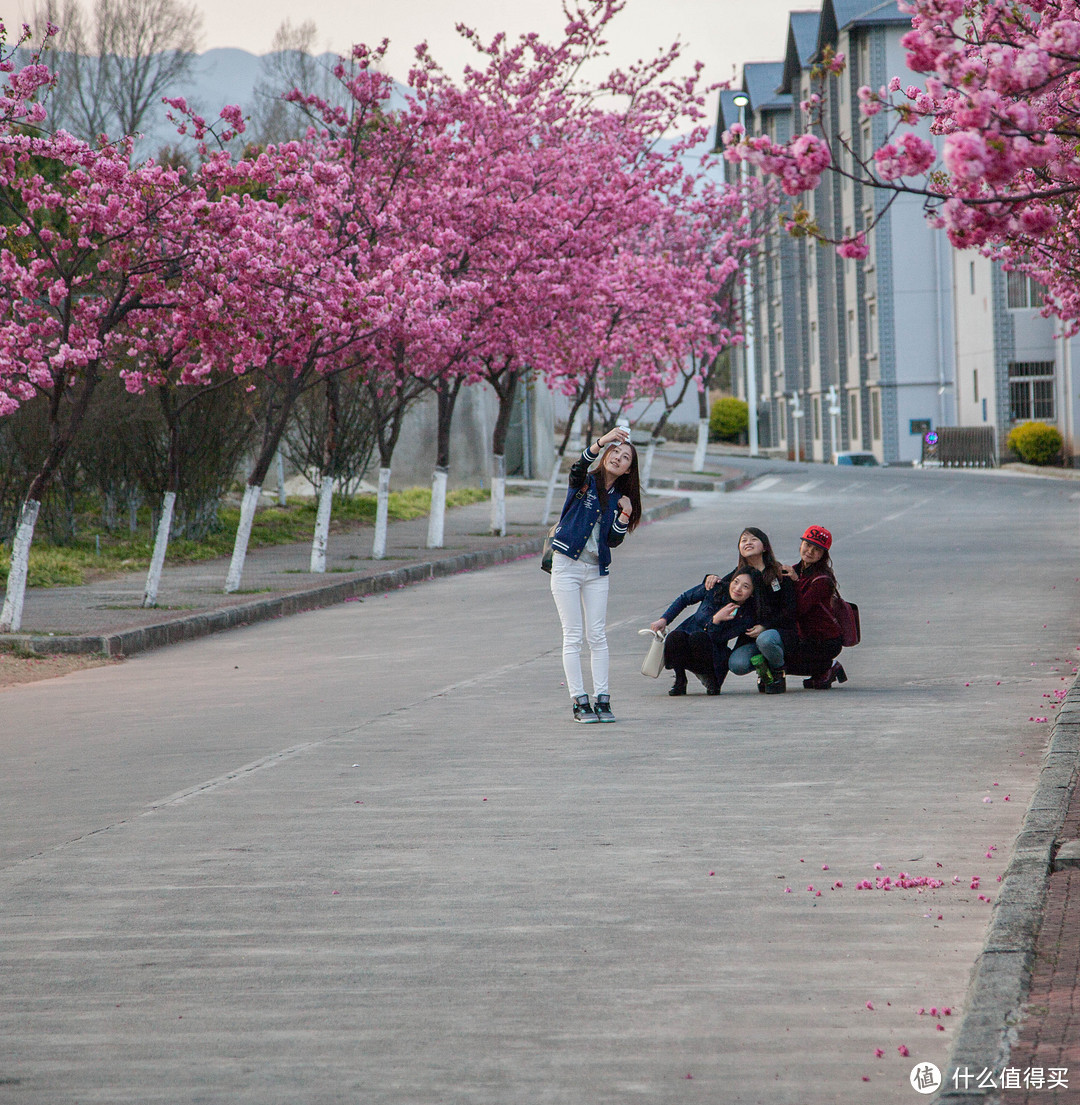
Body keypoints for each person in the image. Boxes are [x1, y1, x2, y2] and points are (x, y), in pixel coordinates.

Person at [549, 426, 642, 723]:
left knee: (598, 635)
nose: (618, 457)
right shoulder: (584, 481)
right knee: (573, 635)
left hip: (596, 571)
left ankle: (603, 700)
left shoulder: (621, 499)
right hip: (566, 566)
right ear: (605, 455)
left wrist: (624, 515)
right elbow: (577, 466)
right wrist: (602, 441)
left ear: (629, 469)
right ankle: (579, 701)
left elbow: (613, 541)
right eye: (615, 451)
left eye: (625, 456)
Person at [650, 566, 760, 696]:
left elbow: (719, 638)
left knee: (699, 638)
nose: (737, 588)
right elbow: (685, 598)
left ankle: (711, 679)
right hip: (686, 639)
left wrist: (716, 620)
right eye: (736, 582)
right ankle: (680, 679)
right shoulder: (716, 589)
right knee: (675, 636)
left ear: (752, 592)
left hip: (710, 652)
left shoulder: (746, 616)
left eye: (745, 587)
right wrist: (664, 620)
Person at [715, 527, 797, 695]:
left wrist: (765, 626)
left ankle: (777, 673)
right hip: (751, 637)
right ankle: (763, 669)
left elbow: (790, 609)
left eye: (753, 539)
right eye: (743, 540)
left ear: (765, 546)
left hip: (777, 632)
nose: (748, 543)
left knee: (765, 640)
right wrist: (709, 578)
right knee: (737, 664)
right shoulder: (738, 576)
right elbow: (717, 591)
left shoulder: (779, 573)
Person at [780, 525, 848, 689]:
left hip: (825, 641)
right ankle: (821, 671)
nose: (810, 551)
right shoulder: (795, 570)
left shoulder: (822, 579)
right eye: (807, 545)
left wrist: (795, 581)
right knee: (777, 658)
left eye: (817, 549)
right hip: (805, 638)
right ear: (801, 544)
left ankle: (828, 667)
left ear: (824, 554)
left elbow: (801, 608)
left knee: (783, 664)